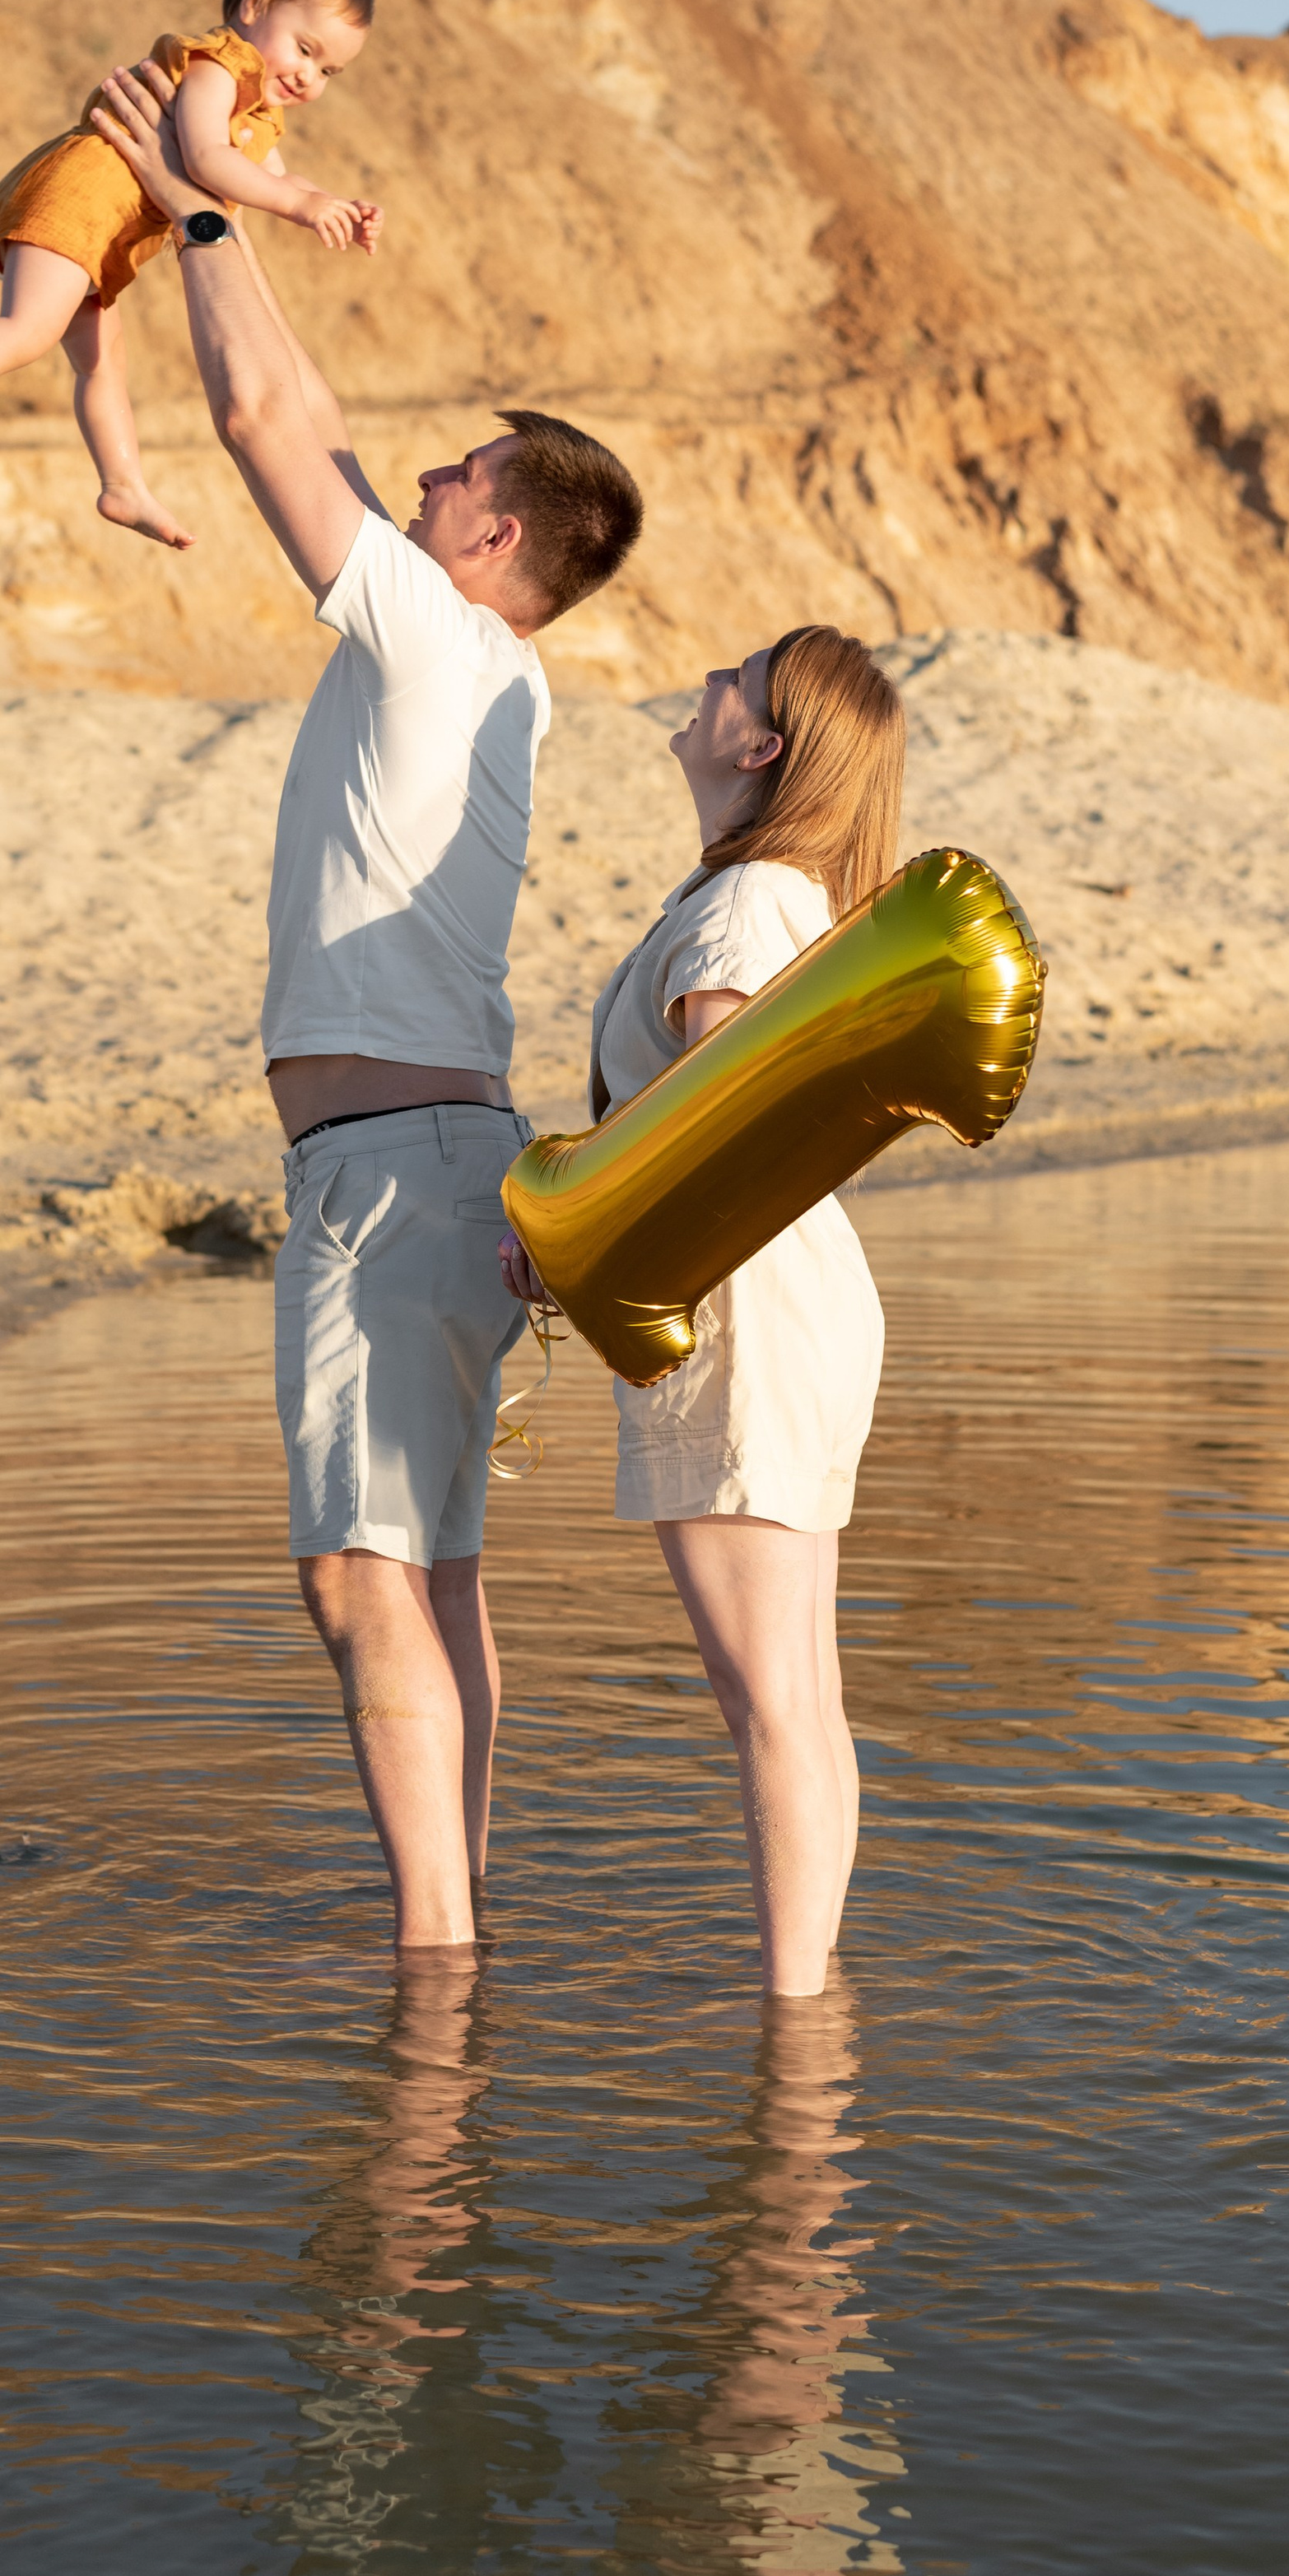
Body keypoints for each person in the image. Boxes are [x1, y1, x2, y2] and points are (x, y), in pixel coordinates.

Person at [92, 50, 643, 1953]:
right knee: (435, 1574)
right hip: (439, 1161)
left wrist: (192, 195)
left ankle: (431, 1964)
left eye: (455, 475)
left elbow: (266, 409)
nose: (419, 478)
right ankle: (455, 1914)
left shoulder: (438, 633)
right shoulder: (507, 678)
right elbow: (310, 421)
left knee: (355, 1577)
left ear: (494, 537)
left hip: (390, 1173)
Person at [504, 630, 905, 1994]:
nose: (709, 685)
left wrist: (570, 1234)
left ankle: (796, 2043)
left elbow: (720, 1143)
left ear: (762, 746)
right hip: (781, 1310)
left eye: (737, 678)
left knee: (773, 1703)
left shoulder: (741, 916)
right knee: (798, 1696)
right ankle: (815, 2006)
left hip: (745, 1324)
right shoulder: (777, 900)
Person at [0, 0, 384, 540]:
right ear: (254, 6)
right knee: (29, 329)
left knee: (102, 363)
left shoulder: (256, 114)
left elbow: (269, 173)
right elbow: (203, 157)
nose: (309, 76)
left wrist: (333, 205)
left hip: (103, 233)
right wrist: (298, 204)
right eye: (304, 49)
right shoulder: (219, 66)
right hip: (78, 201)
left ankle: (123, 485)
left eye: (329, 70)